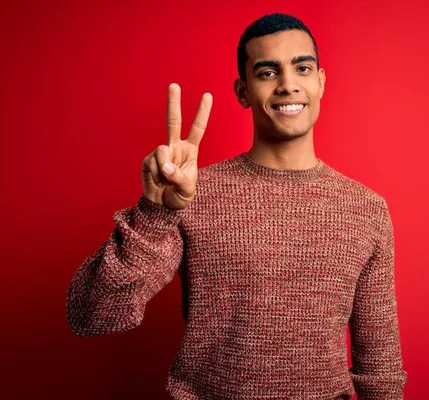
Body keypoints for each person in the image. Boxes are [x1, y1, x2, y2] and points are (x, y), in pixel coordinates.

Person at [66, 12, 408, 400]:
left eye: (302, 67)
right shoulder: (192, 195)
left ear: (320, 81)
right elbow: (91, 314)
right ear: (243, 91)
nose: (288, 85)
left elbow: (380, 366)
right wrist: (154, 214)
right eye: (267, 72)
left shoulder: (366, 209)